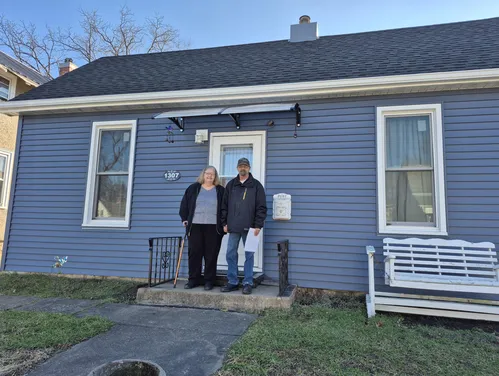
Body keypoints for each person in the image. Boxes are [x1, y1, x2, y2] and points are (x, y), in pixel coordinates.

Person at [220, 157, 267, 295]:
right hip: (233, 227)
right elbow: (224, 206)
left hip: (251, 228)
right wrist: (224, 222)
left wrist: (258, 225)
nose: (243, 168)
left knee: (249, 255)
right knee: (230, 253)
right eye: (241, 166)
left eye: (245, 166)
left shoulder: (256, 186)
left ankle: (247, 282)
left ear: (249, 168)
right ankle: (232, 282)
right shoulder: (231, 185)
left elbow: (262, 207)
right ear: (237, 168)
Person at [179, 166, 225, 290]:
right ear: (203, 174)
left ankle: (209, 281)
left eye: (213, 174)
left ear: (215, 177)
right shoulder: (193, 188)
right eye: (207, 173)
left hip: (214, 227)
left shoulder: (220, 190)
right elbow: (184, 205)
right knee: (195, 253)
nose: (210, 176)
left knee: (211, 254)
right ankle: (193, 279)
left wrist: (224, 223)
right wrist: (184, 218)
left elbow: (225, 209)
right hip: (195, 226)